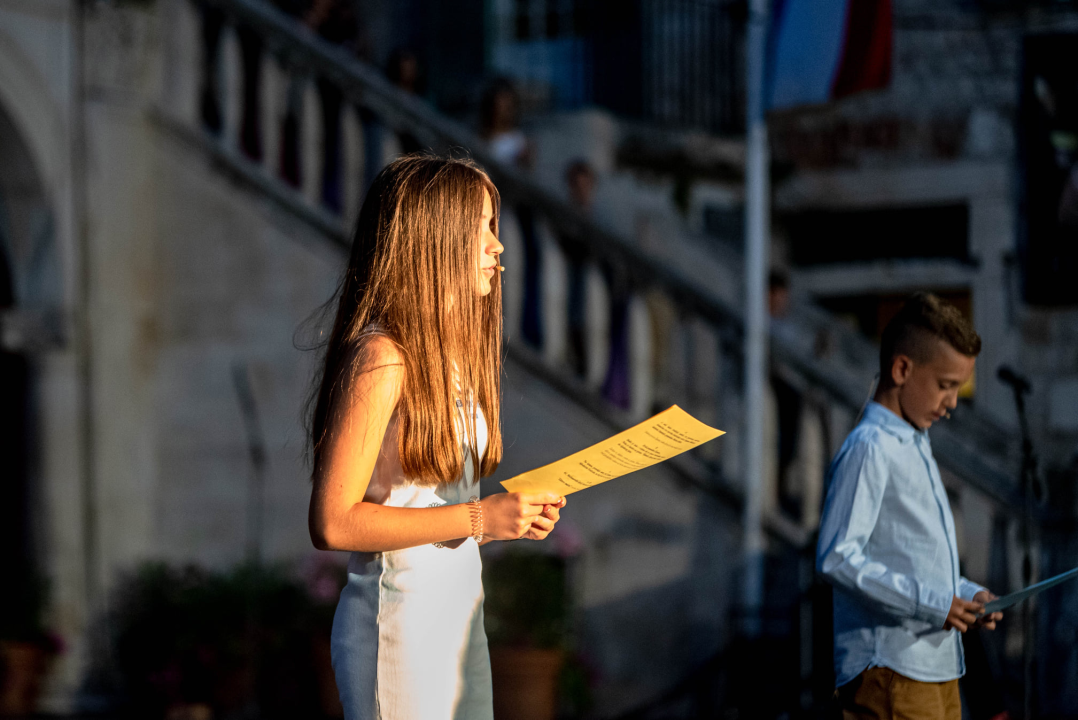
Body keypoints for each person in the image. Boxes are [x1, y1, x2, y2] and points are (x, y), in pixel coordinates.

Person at [307, 155, 566, 720]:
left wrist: (507, 517)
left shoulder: (450, 357)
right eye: (483, 228)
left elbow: (427, 510)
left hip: (459, 617)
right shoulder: (381, 357)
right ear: (435, 237)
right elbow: (333, 522)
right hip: (400, 627)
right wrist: (480, 518)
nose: (498, 248)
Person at [817, 293, 1003, 720]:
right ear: (902, 369)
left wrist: (966, 596)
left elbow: (915, 563)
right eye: (945, 385)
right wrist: (932, 604)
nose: (953, 402)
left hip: (935, 668)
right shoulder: (870, 447)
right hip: (891, 670)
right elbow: (836, 557)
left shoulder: (914, 443)